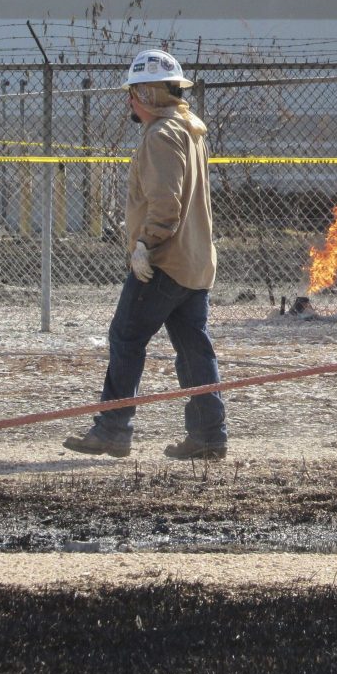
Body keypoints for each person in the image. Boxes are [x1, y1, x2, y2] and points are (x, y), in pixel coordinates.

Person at [63, 48, 228, 461]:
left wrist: (144, 247)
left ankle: (113, 429)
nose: (130, 102)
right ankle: (209, 435)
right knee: (193, 349)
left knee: (126, 336)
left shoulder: (161, 136)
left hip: (164, 263)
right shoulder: (190, 130)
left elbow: (166, 205)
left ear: (151, 94)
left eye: (135, 93)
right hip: (195, 262)